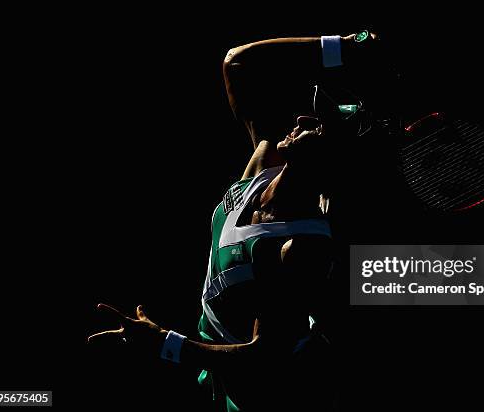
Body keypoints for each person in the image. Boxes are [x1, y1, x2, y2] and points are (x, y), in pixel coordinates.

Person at [88, 30, 382, 411]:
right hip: (221, 376)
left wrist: (164, 344)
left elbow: (265, 359)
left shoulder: (300, 250)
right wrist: (345, 47)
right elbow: (238, 62)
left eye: (318, 123)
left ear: (331, 159)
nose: (303, 116)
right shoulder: (261, 167)